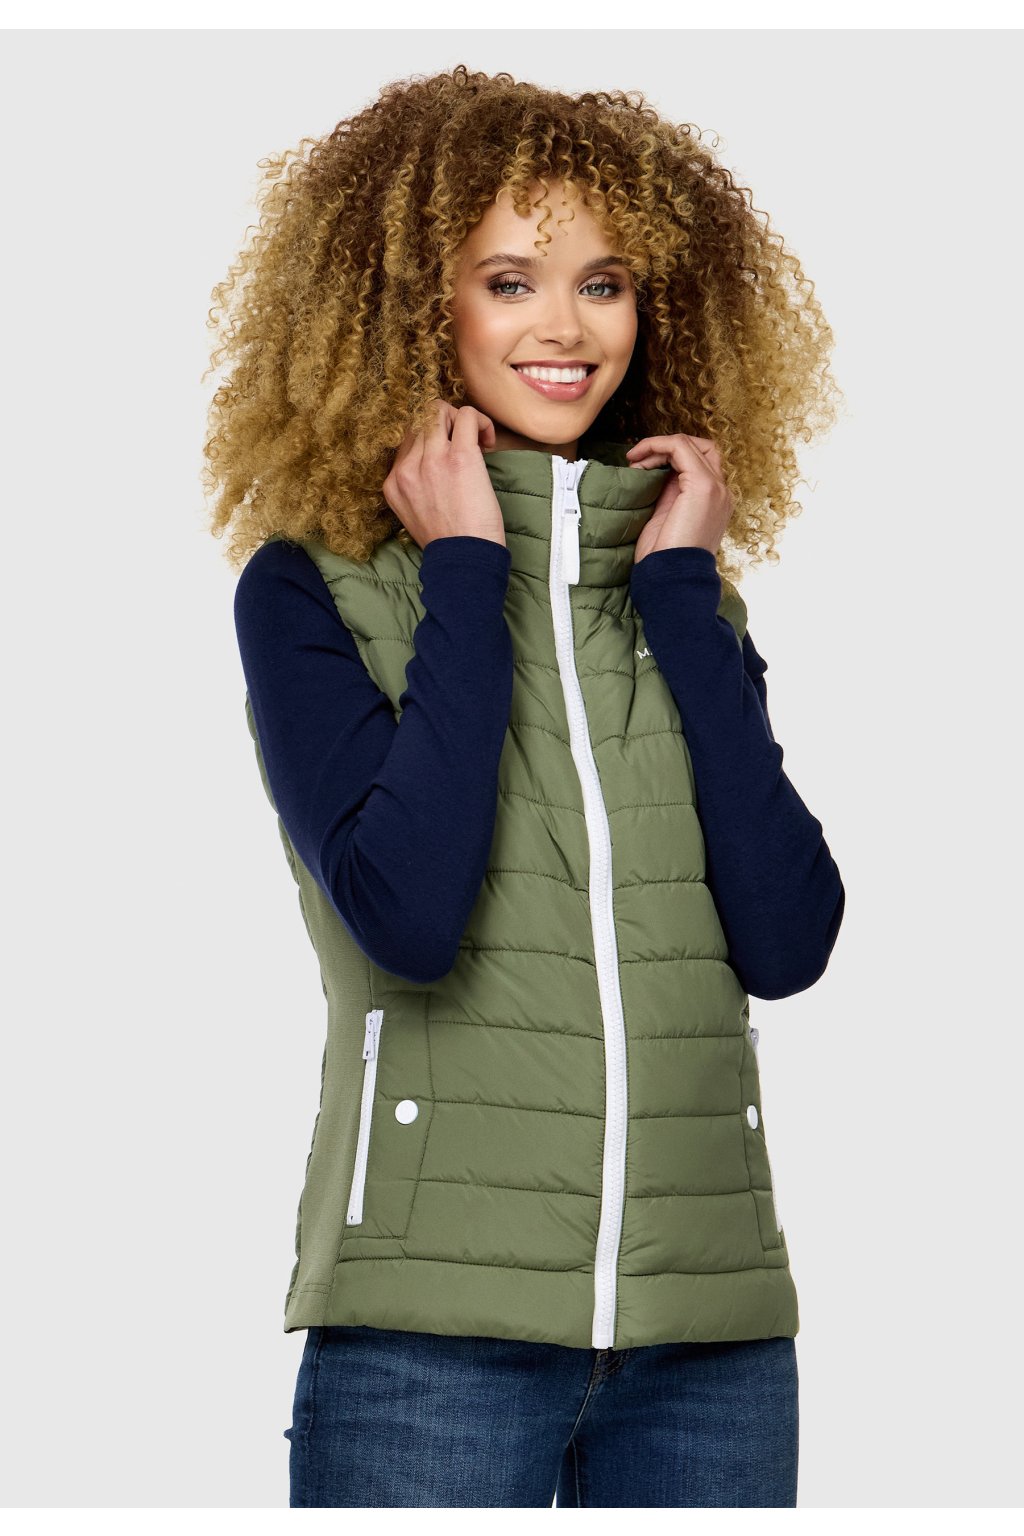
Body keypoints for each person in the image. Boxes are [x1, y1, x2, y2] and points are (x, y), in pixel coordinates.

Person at [203, 64, 846, 1509]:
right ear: (410, 305)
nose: (567, 328)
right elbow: (408, 915)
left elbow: (790, 940)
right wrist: (465, 570)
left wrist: (681, 597)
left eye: (603, 283)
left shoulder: (686, 596)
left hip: (714, 1336)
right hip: (429, 1337)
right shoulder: (313, 587)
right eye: (511, 281)